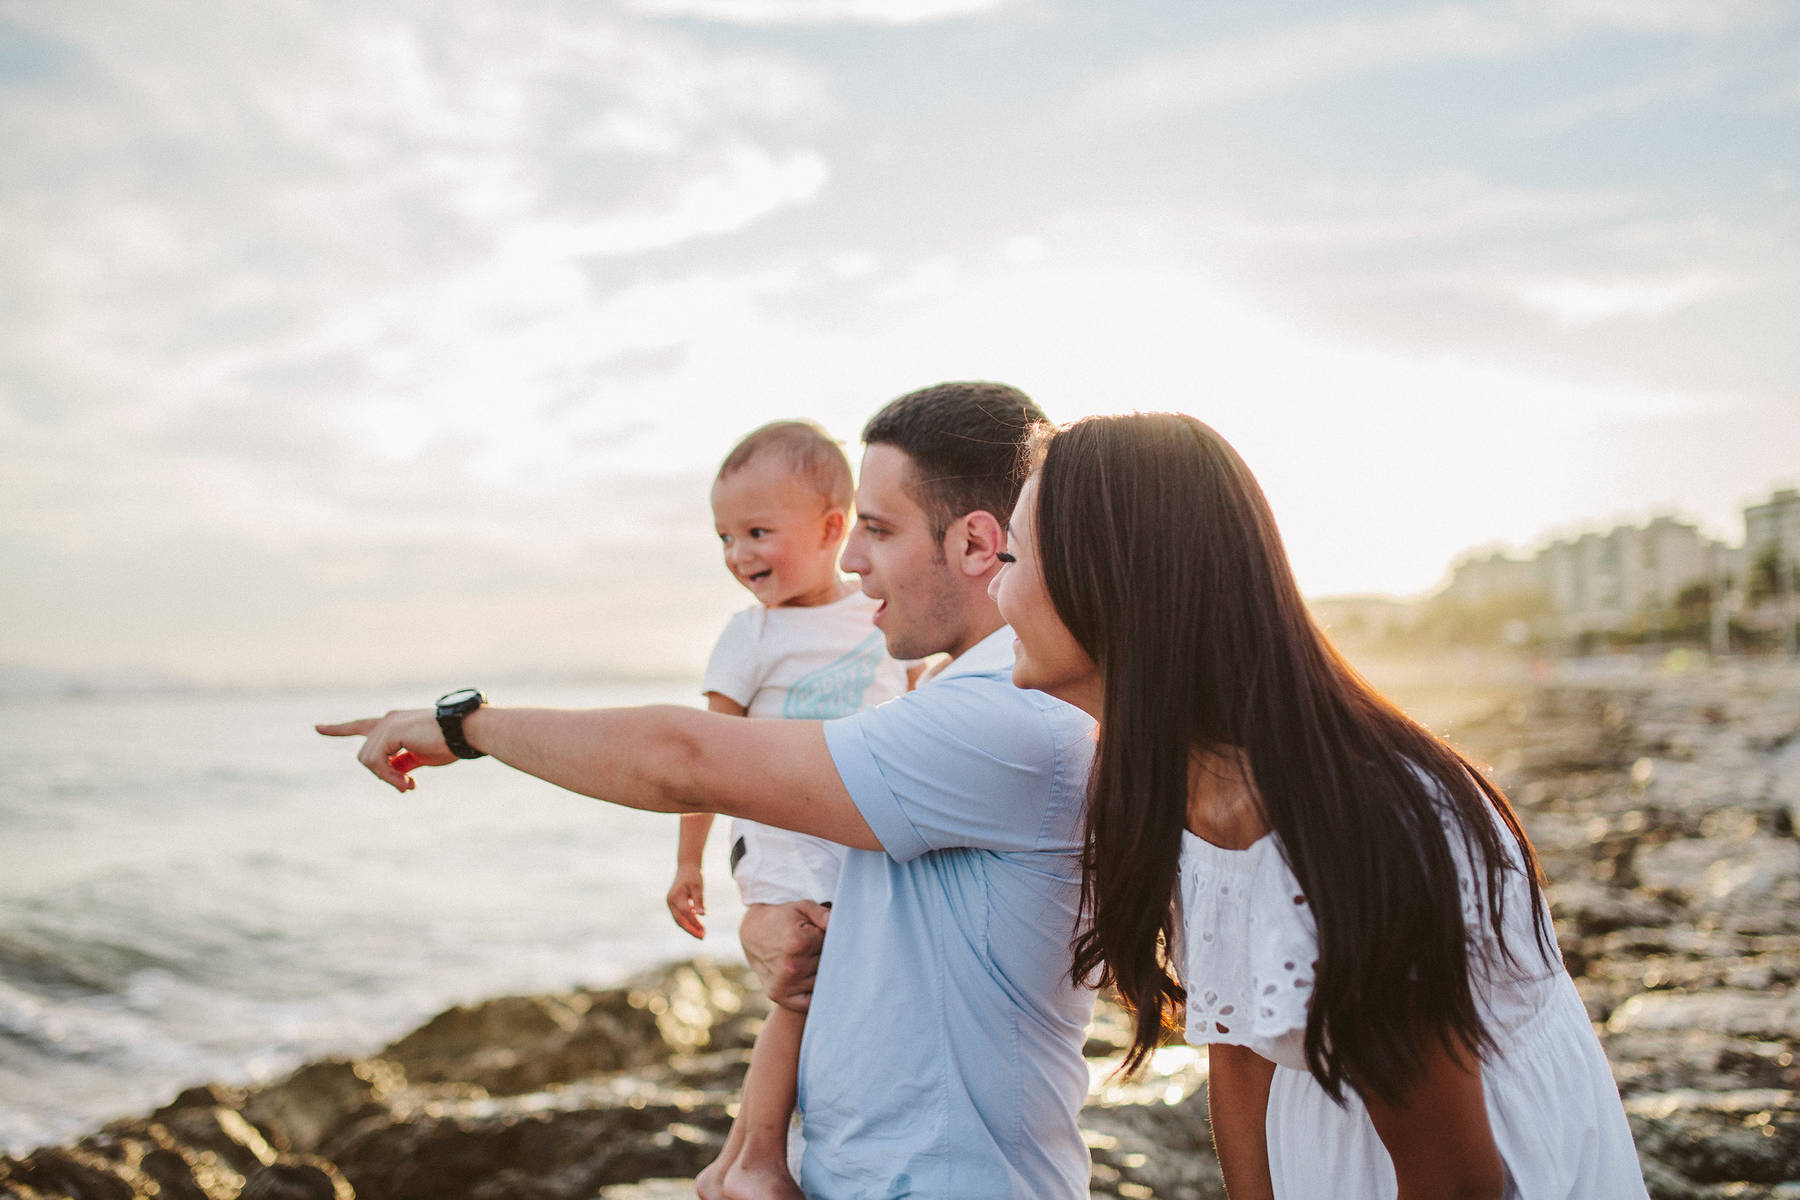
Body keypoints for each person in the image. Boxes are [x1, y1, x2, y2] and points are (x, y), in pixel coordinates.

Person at [317, 382, 1099, 1200]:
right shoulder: (951, 701)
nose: (854, 559)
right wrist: (768, 909)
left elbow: (682, 756)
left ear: (976, 542)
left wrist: (464, 725)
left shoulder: (1004, 719)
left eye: (877, 528)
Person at [988, 412, 1649, 1200]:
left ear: (1113, 579)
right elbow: (1236, 1045)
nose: (996, 588)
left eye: (1011, 556)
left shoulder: (1363, 829)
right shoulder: (1171, 780)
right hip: (1332, 1150)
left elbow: (1458, 1180)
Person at [667, 418, 912, 1200]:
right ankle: (761, 1159)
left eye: (758, 532)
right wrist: (685, 864)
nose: (739, 555)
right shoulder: (751, 637)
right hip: (780, 838)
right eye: (726, 537)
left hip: (854, 835)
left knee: (840, 991)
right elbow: (700, 757)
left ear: (833, 529)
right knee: (800, 992)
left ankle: (726, 1165)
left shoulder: (877, 618)